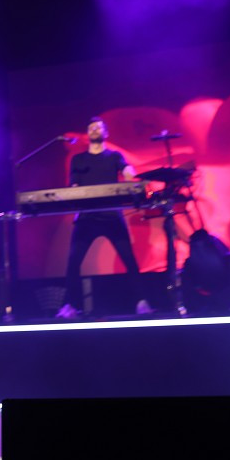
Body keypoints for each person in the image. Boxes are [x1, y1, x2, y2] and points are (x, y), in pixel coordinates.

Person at [57, 117, 152, 319]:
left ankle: (142, 302)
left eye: (98, 127)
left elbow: (127, 171)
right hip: (86, 218)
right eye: (90, 127)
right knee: (73, 262)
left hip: (112, 215)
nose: (94, 130)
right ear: (87, 134)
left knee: (129, 260)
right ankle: (69, 306)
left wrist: (131, 176)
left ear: (105, 133)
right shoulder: (79, 160)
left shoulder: (114, 156)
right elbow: (73, 187)